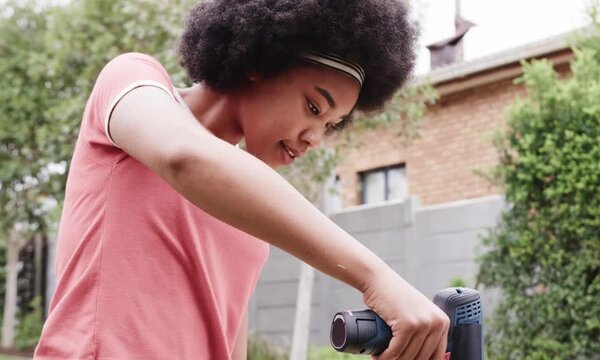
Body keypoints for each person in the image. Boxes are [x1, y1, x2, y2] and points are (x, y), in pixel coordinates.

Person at [34, 1, 449, 359]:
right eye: (312, 106)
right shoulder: (133, 82)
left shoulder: (248, 212)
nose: (315, 137)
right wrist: (377, 277)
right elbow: (185, 156)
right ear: (259, 64)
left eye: (331, 124)